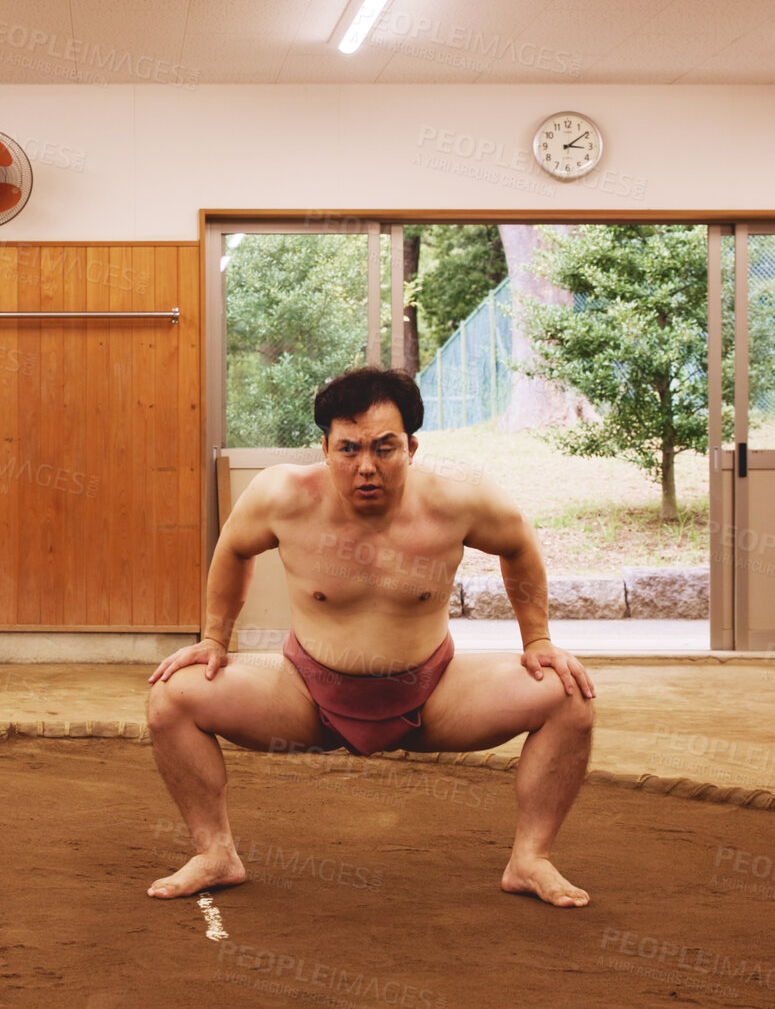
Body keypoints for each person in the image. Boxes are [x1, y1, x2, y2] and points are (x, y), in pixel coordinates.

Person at [146, 368, 596, 907]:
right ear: (325, 447)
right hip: (303, 696)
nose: (366, 467)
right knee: (171, 696)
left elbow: (518, 546)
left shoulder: (459, 501)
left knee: (570, 697)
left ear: (411, 446)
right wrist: (215, 639)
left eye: (385, 448)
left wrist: (538, 639)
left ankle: (531, 859)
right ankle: (215, 853)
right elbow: (234, 549)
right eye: (349, 449)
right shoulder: (282, 494)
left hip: (435, 696)